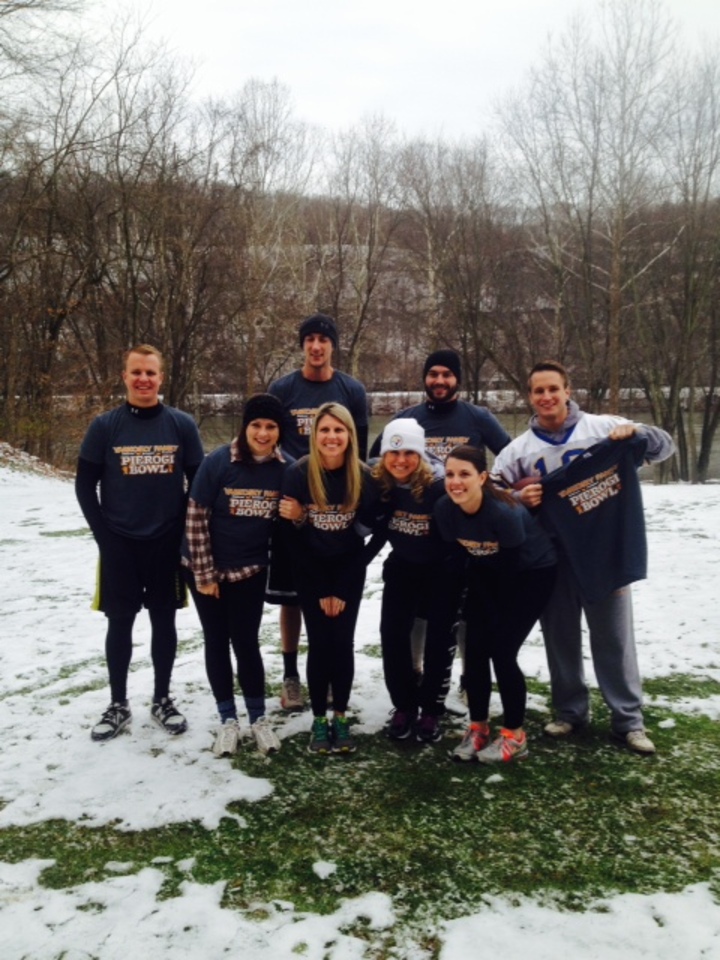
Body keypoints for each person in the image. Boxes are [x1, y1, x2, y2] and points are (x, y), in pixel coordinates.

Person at [492, 360, 675, 754]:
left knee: (613, 638)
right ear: (530, 396)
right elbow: (492, 495)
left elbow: (664, 447)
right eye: (538, 391)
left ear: (567, 389)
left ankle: (628, 720)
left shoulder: (604, 429)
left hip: (604, 551)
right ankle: (570, 711)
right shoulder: (518, 451)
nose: (546, 397)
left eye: (553, 389)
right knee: (560, 638)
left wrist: (638, 432)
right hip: (551, 559)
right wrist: (521, 498)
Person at [75, 344, 204, 742]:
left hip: (165, 544)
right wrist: (105, 539)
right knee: (121, 622)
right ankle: (118, 703)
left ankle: (162, 699)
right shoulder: (105, 427)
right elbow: (84, 486)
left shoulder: (181, 424)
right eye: (136, 372)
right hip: (120, 543)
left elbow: (198, 485)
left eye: (150, 372)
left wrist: (181, 531)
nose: (143, 379)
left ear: (161, 378)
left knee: (164, 620)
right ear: (125, 376)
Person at [369, 348, 512, 695]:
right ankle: (415, 670)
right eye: (433, 374)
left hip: (462, 533)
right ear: (425, 378)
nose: (439, 381)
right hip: (415, 532)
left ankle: (468, 676)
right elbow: (375, 459)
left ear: (457, 380)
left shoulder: (477, 418)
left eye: (447, 375)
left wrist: (494, 491)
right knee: (416, 613)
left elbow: (509, 457)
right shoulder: (406, 419)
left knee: (462, 613)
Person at [268, 313, 369, 711]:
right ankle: (292, 675)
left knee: (336, 593)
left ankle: (329, 674)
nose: (316, 346)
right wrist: (295, 493)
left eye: (323, 339)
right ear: (302, 345)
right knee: (295, 596)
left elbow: (361, 446)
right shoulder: (283, 388)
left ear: (332, 345)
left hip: (336, 509)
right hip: (294, 503)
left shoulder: (352, 388)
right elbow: (271, 439)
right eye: (309, 338)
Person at [434, 445, 557, 763]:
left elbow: (510, 570)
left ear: (483, 477)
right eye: (449, 474)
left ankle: (515, 736)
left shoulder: (504, 511)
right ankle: (478, 728)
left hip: (531, 575)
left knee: (501, 650)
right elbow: (456, 559)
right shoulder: (445, 509)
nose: (456, 482)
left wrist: (492, 611)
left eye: (465, 474)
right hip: (486, 572)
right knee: (474, 649)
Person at [182, 394, 287, 757]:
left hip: (250, 569)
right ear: (244, 427)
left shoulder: (284, 468)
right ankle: (228, 719)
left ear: (279, 431)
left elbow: (290, 520)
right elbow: (195, 517)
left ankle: (258, 718)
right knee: (216, 639)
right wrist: (205, 573)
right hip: (205, 567)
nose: (262, 432)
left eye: (270, 426)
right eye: (256, 425)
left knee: (246, 641)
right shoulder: (218, 462)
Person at [278, 402, 375, 755]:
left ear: (349, 435)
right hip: (310, 570)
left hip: (349, 570)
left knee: (342, 642)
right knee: (319, 642)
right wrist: (320, 588)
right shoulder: (299, 472)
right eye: (325, 430)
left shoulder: (363, 476)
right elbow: (291, 537)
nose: (332, 437)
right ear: (314, 435)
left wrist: (344, 584)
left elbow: (373, 534)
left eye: (339, 430)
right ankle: (319, 719)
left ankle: (341, 715)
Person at [369, 419, 456, 743]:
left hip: (441, 570)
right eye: (393, 451)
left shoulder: (438, 486)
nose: (400, 460)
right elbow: (375, 528)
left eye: (409, 452)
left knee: (438, 642)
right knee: (392, 635)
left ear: (420, 454)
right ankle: (404, 705)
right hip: (403, 566)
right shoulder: (380, 482)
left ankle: (432, 709)